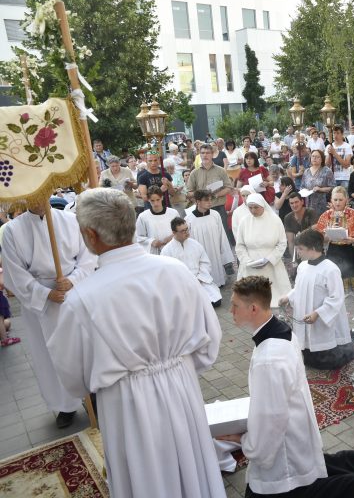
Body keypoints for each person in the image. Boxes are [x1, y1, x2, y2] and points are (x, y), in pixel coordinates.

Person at [47, 188, 226, 498]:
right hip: (182, 387)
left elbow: (72, 377)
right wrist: (176, 369)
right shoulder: (177, 271)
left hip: (126, 403)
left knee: (147, 478)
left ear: (90, 234)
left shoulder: (81, 299)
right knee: (191, 468)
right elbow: (209, 341)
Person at [224, 276, 354, 497]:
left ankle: (350, 485)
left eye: (235, 305)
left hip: (282, 450)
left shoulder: (269, 360)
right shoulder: (279, 328)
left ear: (253, 308)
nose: (230, 311)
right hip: (294, 426)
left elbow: (272, 419)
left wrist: (246, 442)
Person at [3, 200, 97, 428]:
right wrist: (45, 294)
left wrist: (73, 280)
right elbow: (15, 273)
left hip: (74, 293)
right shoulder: (12, 230)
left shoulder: (71, 220)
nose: (38, 200)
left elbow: (88, 257)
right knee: (49, 354)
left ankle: (94, 398)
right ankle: (64, 406)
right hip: (41, 304)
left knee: (83, 349)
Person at [279, 229, 354, 370]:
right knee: (307, 352)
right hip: (305, 315)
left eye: (301, 249)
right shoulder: (302, 266)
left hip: (321, 319)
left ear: (313, 248)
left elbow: (336, 298)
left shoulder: (330, 269)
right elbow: (299, 288)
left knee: (326, 359)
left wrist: (317, 313)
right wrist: (288, 297)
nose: (298, 252)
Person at [235, 194, 291, 307]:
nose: (253, 210)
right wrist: (247, 261)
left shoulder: (275, 220)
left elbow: (282, 243)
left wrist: (269, 259)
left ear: (263, 206)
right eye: (250, 207)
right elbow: (240, 245)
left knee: (274, 298)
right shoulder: (244, 221)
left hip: (271, 263)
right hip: (250, 264)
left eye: (256, 207)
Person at [315, 187, 354, 290]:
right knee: (335, 287)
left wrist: (351, 240)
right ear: (331, 200)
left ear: (346, 200)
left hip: (351, 251)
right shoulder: (325, 215)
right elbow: (319, 236)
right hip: (333, 252)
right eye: (335, 199)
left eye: (340, 199)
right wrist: (326, 237)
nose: (338, 202)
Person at [161, 217, 223, 307]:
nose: (186, 233)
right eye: (182, 231)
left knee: (216, 301)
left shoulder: (195, 244)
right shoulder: (166, 251)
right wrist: (185, 282)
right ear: (174, 233)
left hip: (200, 280)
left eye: (187, 229)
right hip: (182, 285)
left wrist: (199, 278)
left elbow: (205, 262)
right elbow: (167, 273)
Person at [186, 143, 235, 245]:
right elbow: (189, 193)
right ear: (199, 154)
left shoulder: (221, 170)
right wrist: (201, 194)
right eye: (202, 153)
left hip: (218, 208)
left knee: (223, 236)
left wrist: (216, 195)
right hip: (201, 210)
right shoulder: (194, 173)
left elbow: (228, 187)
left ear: (212, 154)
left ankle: (226, 260)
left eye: (207, 153)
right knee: (206, 238)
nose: (205, 155)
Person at [185, 190, 235, 287]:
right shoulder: (189, 219)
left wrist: (225, 257)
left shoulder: (215, 215)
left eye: (210, 199)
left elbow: (222, 236)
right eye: (206, 200)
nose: (210, 202)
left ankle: (218, 281)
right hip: (200, 254)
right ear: (198, 201)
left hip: (215, 252)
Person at [135, 185, 178, 255]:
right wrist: (151, 242)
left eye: (158, 200)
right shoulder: (143, 216)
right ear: (148, 200)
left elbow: (180, 230)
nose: (156, 204)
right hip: (154, 252)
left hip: (173, 250)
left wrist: (172, 236)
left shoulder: (173, 213)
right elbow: (139, 237)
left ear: (162, 198)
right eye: (152, 200)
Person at [283, 193, 320, 261]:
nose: (294, 205)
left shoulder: (311, 212)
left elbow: (315, 232)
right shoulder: (288, 218)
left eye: (296, 202)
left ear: (302, 202)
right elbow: (291, 242)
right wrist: (293, 259)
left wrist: (301, 235)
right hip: (299, 250)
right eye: (291, 203)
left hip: (313, 248)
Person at [302, 149, 336, 214]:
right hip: (309, 203)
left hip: (322, 204)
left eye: (317, 157)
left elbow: (333, 187)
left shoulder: (327, 171)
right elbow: (302, 186)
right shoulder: (306, 171)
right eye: (313, 156)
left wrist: (320, 189)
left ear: (322, 159)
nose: (314, 158)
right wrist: (305, 191)